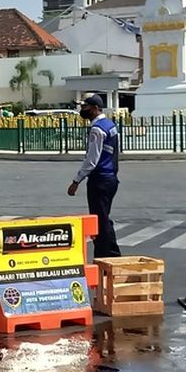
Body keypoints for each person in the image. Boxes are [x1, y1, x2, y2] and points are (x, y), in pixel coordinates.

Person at [67, 95, 120, 258]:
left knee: (100, 221)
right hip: (111, 178)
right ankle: (110, 254)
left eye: (85, 107)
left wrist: (76, 181)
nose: (82, 110)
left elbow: (92, 160)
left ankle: (107, 257)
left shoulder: (97, 130)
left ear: (96, 108)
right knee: (104, 218)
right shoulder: (110, 125)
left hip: (100, 180)